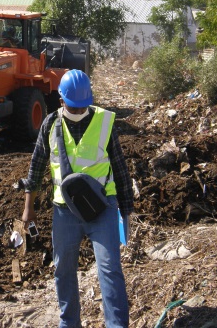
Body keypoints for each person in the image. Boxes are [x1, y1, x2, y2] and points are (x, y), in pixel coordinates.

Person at [21, 69, 134, 328]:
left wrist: (126, 212)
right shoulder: (51, 124)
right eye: (73, 107)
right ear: (61, 102)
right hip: (65, 211)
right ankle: (68, 323)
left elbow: (120, 168)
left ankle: (117, 325)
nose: (77, 110)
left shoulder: (105, 123)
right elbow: (36, 167)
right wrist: (29, 207)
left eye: (82, 106)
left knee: (109, 270)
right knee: (63, 270)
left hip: (103, 208)